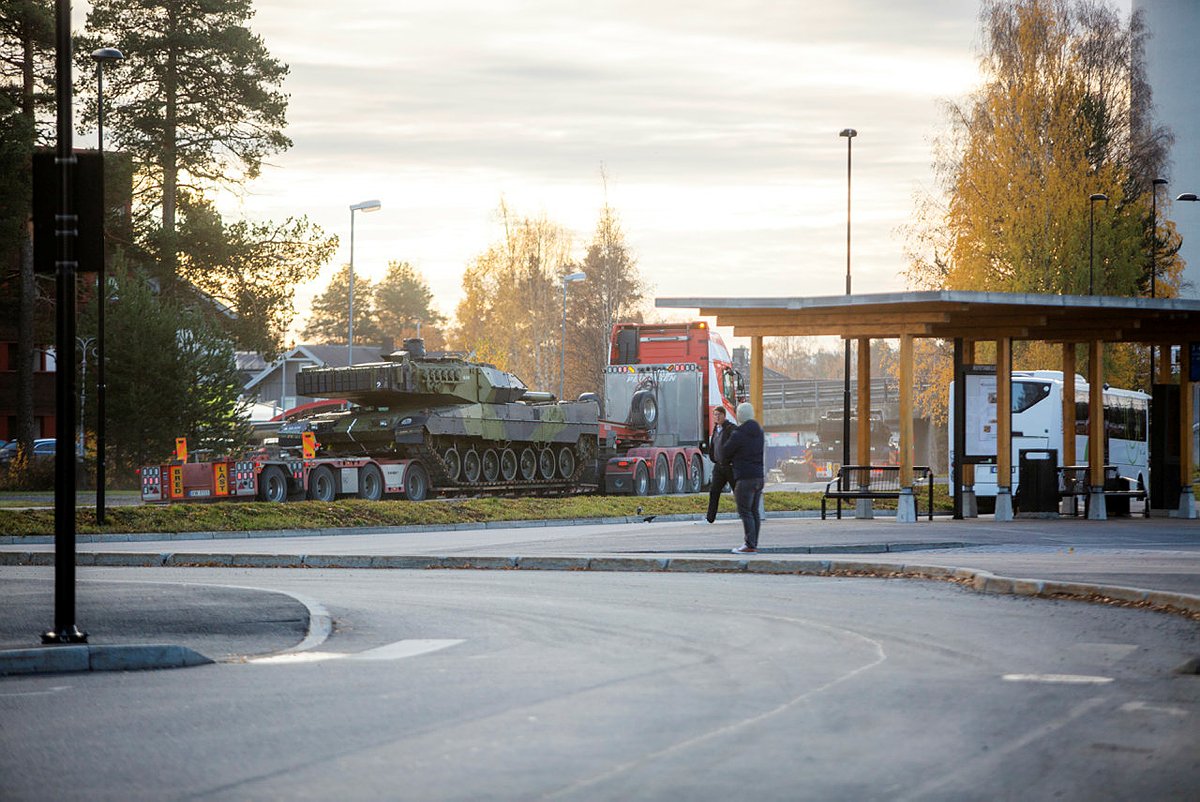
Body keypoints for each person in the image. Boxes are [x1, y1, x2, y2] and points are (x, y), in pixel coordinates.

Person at [723, 401, 764, 554]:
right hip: (759, 477)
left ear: (739, 416)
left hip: (745, 477)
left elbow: (726, 452)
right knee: (754, 511)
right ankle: (753, 543)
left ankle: (749, 544)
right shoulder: (759, 432)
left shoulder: (738, 434)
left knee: (745, 511)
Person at [705, 406, 737, 523]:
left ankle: (747, 514)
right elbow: (713, 446)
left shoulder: (730, 428)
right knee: (714, 491)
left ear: (724, 415)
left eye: (719, 415)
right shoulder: (715, 430)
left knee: (738, 491)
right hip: (719, 466)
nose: (717, 417)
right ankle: (710, 518)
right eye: (715, 415)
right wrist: (713, 457)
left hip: (730, 466)